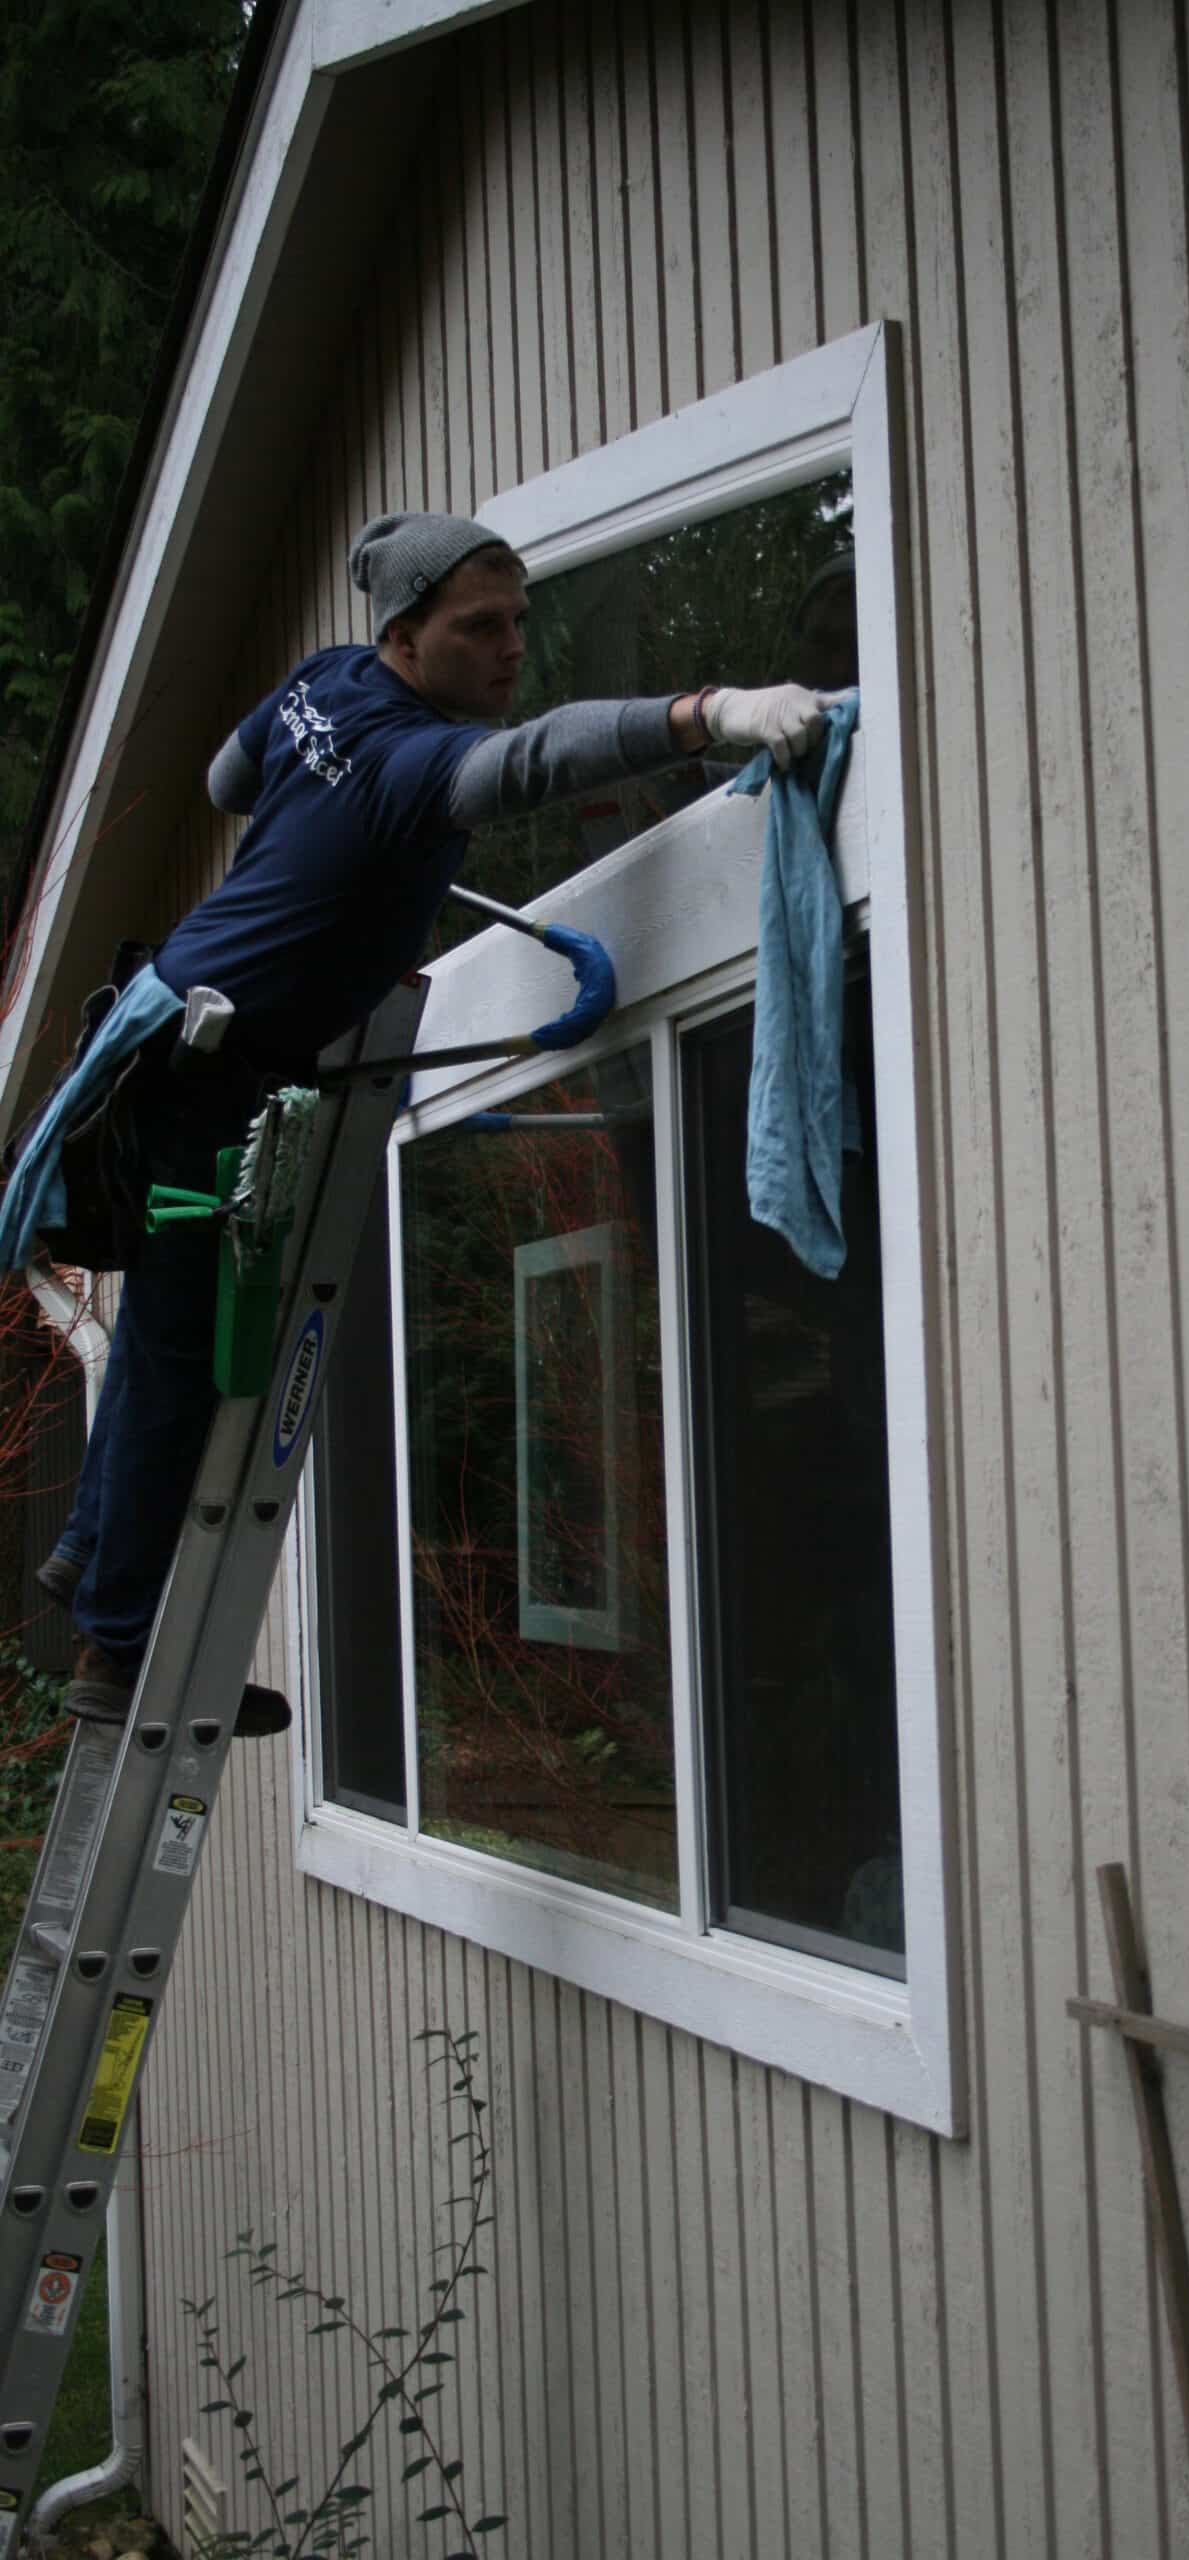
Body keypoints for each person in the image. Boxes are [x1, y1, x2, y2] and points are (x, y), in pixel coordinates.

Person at [42, 509, 826, 1732]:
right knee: (185, 1355)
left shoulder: (327, 682)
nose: (510, 647)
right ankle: (117, 1652)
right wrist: (709, 712)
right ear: (407, 635)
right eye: (480, 628)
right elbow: (532, 761)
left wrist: (336, 861)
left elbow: (229, 780)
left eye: (519, 620)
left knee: (157, 1330)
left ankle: (86, 1560)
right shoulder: (416, 761)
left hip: (168, 1030)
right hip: (206, 1067)